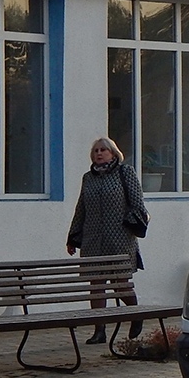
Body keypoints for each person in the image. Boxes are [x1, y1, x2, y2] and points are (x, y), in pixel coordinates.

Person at [66, 137, 148, 344]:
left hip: (119, 238)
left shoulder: (124, 172)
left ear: (113, 153)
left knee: (120, 283)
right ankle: (99, 330)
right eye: (96, 150)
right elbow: (81, 208)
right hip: (93, 238)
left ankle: (135, 315)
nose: (99, 153)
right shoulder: (88, 178)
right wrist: (73, 237)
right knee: (96, 285)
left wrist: (129, 225)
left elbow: (137, 203)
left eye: (103, 150)